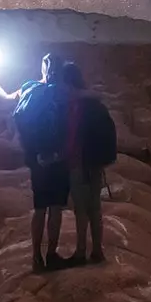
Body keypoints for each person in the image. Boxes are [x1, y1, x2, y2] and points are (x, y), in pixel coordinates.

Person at [0, 51, 70, 272]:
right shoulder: (64, 92)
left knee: (40, 208)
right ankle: (52, 255)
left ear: (42, 69)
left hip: (35, 158)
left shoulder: (29, 87)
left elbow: (5, 97)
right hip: (58, 157)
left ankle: (36, 258)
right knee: (56, 209)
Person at [61, 61, 106, 265]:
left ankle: (81, 252)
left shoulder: (72, 103)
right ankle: (97, 251)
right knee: (95, 208)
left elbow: (70, 136)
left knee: (81, 209)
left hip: (78, 163)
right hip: (96, 162)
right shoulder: (94, 101)